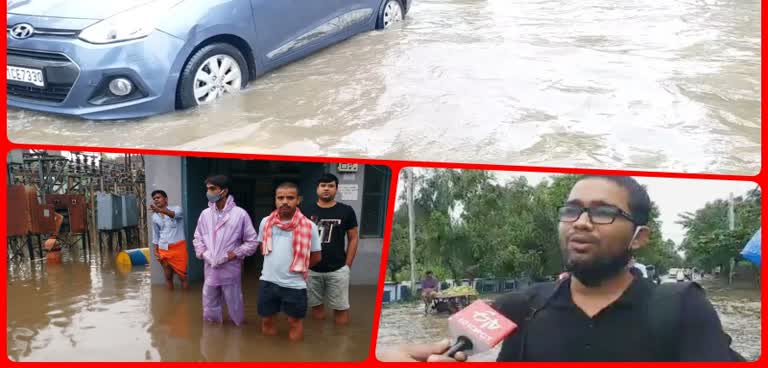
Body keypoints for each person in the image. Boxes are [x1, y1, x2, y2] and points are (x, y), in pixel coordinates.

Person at [384, 176, 741, 362]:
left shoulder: (681, 306)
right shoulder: (518, 307)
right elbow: (443, 348)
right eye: (571, 211)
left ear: (639, 237)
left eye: (603, 213)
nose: (581, 223)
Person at [257, 181, 322, 341]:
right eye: (280, 197)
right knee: (267, 321)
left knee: (294, 322)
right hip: (268, 281)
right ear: (275, 200)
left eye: (290, 197)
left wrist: (297, 269)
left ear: (298, 200)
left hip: (294, 285)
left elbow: (316, 256)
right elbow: (262, 247)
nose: (284, 201)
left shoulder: (309, 226)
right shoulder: (266, 222)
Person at [192, 175, 259, 326]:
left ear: (224, 191)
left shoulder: (239, 214)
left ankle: (237, 333)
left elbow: (252, 241)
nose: (209, 192)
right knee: (209, 304)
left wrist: (232, 254)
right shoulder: (205, 214)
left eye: (212, 189)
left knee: (234, 303)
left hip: (230, 267)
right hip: (210, 267)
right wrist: (204, 253)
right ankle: (213, 336)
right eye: (208, 189)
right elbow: (197, 238)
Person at [301, 173, 359, 325]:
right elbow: (298, 238)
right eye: (323, 185)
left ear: (336, 189)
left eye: (331, 186)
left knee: (341, 310)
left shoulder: (346, 210)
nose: (326, 189)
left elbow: (353, 238)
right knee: (316, 308)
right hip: (312, 269)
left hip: (338, 269)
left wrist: (347, 265)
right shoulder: (305, 210)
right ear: (317, 189)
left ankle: (340, 344)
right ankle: (320, 343)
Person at [151, 189, 189, 290]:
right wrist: (156, 251)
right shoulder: (154, 216)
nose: (156, 200)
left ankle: (185, 303)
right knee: (168, 277)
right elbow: (156, 234)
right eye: (154, 199)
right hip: (163, 248)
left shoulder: (177, 209)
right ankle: (170, 302)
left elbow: (173, 214)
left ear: (166, 199)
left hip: (178, 247)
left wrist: (160, 210)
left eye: (158, 198)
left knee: (183, 277)